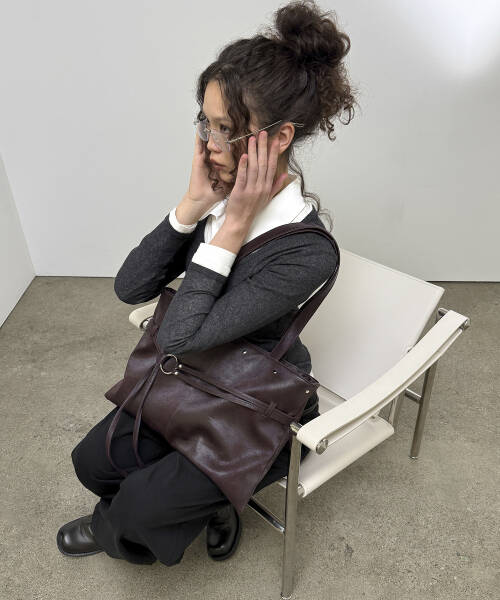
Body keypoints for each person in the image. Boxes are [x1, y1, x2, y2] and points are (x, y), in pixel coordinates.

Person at [57, 0, 358, 567]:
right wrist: (193, 205)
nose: (211, 144)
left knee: (138, 511)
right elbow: (130, 287)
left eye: (229, 129)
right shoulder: (218, 202)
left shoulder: (306, 251)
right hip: (193, 378)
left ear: (281, 136)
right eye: (207, 122)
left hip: (253, 399)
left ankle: (151, 518)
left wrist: (233, 226)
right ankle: (205, 504)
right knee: (92, 462)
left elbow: (179, 335)